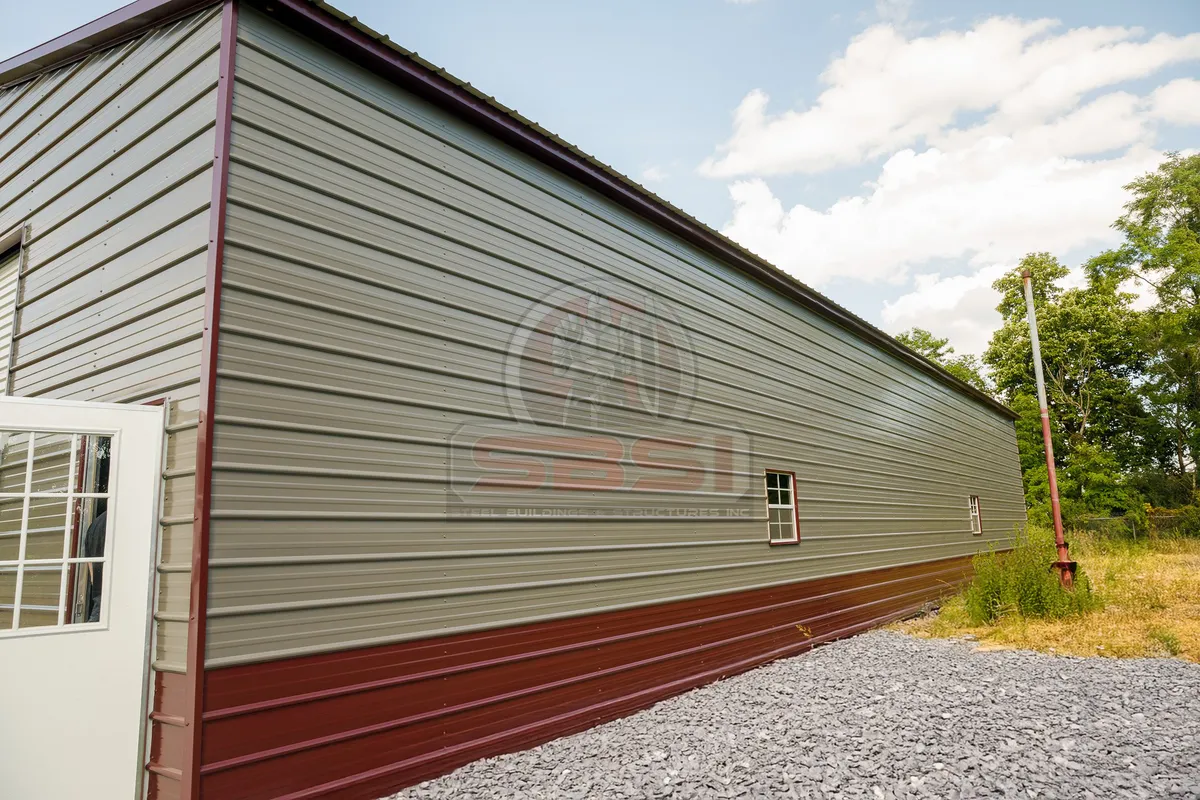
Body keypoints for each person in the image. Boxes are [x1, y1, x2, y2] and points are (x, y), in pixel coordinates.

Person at [83, 510, 107, 623]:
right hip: (117, 604)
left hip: (99, 602)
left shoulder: (94, 525)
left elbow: (92, 575)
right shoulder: (124, 524)